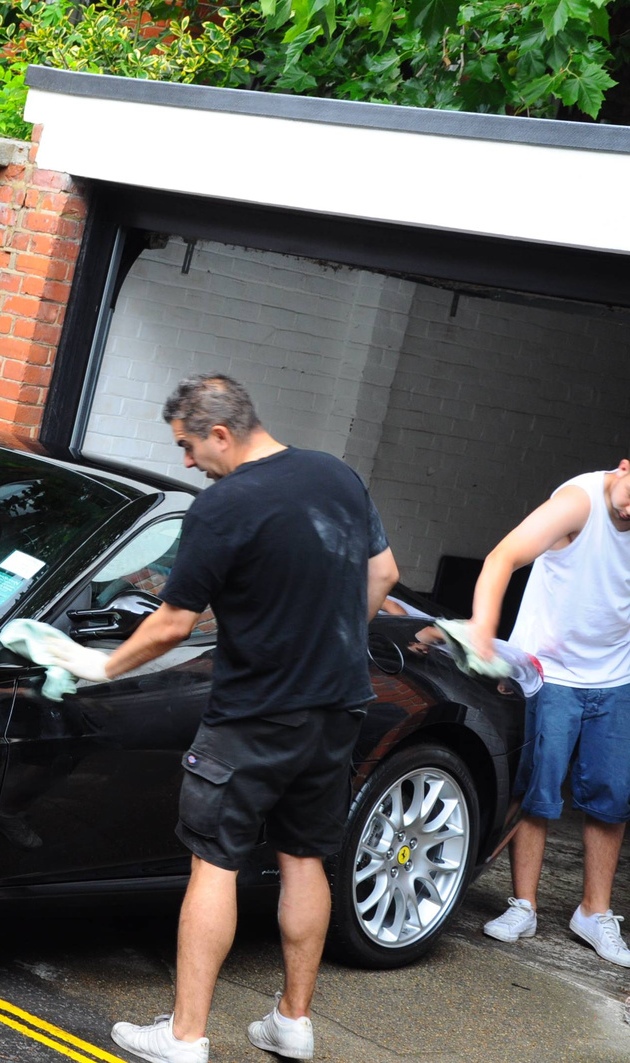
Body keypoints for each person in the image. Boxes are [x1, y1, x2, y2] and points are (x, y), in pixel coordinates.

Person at [44, 374, 397, 1063]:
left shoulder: (222, 505)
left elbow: (173, 622)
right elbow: (384, 573)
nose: (185, 462)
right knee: (305, 860)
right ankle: (293, 1022)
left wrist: (99, 666)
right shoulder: (337, 475)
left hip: (253, 715)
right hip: (336, 705)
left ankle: (183, 1037)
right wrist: (334, 643)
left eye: (186, 446)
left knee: (214, 863)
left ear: (221, 435)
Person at [468, 462, 630, 967]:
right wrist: (483, 632)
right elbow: (502, 557)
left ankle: (593, 912)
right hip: (551, 668)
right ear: (624, 468)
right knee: (538, 789)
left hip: (617, 673)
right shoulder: (577, 503)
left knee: (613, 798)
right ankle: (524, 905)